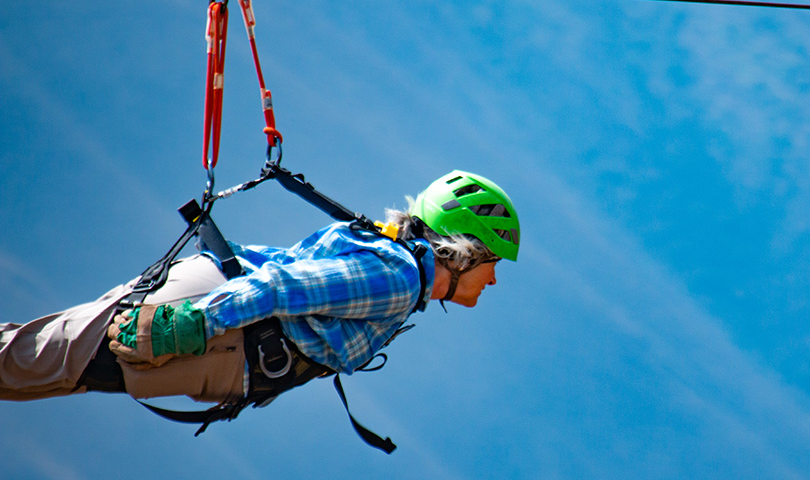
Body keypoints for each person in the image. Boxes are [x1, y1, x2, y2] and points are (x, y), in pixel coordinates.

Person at [0, 170, 519, 410]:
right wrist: (194, 323)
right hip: (216, 324)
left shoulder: (392, 266)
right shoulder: (398, 278)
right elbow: (280, 286)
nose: (493, 279)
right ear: (465, 250)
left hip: (220, 320)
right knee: (33, 360)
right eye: (493, 263)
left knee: (35, 367)